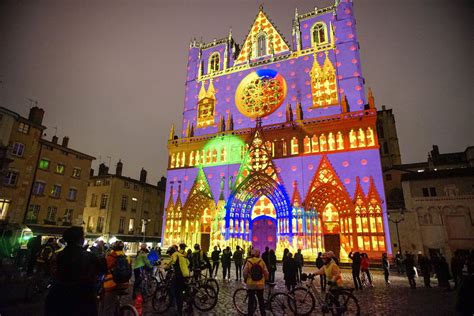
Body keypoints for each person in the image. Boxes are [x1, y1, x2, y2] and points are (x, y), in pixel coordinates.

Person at [45, 226, 107, 316]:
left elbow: (52, 272)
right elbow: (103, 268)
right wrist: (99, 250)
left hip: (59, 297)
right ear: (80, 239)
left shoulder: (58, 255)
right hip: (83, 298)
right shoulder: (89, 256)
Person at [101, 240, 132, 316]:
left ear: (114, 248)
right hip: (124, 284)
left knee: (108, 307)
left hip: (112, 284)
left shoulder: (111, 257)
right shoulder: (127, 257)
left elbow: (104, 268)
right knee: (114, 301)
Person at [242, 248, 269, 316]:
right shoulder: (261, 261)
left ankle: (250, 313)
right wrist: (266, 279)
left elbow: (245, 272)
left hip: (251, 284)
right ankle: (263, 313)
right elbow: (266, 272)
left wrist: (245, 279)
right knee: (261, 300)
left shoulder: (249, 261)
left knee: (251, 300)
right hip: (260, 284)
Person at [167, 245, 190, 315]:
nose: (169, 255)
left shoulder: (175, 254)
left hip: (179, 276)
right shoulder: (181, 255)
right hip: (186, 274)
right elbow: (188, 263)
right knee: (184, 290)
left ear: (171, 252)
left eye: (169, 253)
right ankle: (189, 303)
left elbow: (172, 262)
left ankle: (179, 311)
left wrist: (166, 267)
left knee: (177, 293)